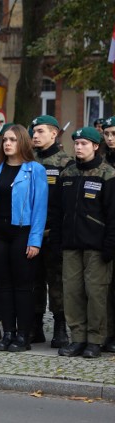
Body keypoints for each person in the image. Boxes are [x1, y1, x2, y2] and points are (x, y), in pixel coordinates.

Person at [0, 124, 48, 352]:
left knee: (23, 286)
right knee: (2, 285)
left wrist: (35, 240)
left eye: (13, 140)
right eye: (5, 139)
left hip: (22, 232)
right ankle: (7, 332)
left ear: (23, 143)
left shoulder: (34, 169)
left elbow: (40, 208)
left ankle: (23, 335)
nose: (7, 143)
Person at [51, 127, 115, 359]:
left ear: (96, 146)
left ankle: (95, 339)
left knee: (96, 293)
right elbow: (58, 212)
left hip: (97, 247)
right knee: (72, 293)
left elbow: (112, 215)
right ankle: (77, 338)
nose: (78, 147)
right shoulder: (67, 174)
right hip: (70, 245)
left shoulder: (107, 174)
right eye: (76, 143)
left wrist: (110, 245)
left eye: (84, 144)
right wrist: (57, 240)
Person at [30, 115, 73, 348]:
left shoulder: (65, 162)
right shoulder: (29, 159)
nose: (35, 135)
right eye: (33, 132)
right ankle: (35, 327)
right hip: (31, 231)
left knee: (57, 282)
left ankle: (59, 327)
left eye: (40, 131)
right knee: (34, 281)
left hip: (54, 230)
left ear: (54, 134)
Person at [102, 116, 115, 354]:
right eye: (107, 134)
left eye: (114, 133)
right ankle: (108, 333)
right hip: (105, 230)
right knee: (106, 288)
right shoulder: (101, 162)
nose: (110, 138)